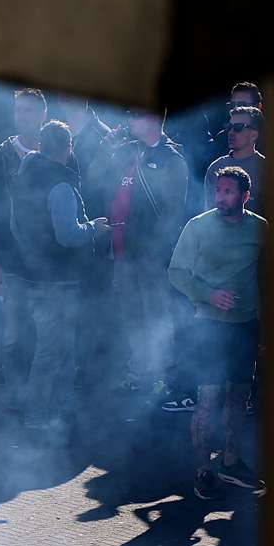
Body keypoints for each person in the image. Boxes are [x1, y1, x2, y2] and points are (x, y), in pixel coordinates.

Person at [168, 166, 267, 499]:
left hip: (245, 325)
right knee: (208, 398)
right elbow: (176, 273)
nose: (221, 196)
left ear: (244, 196)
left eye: (228, 191)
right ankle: (203, 468)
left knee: (239, 396)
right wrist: (208, 294)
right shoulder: (198, 226)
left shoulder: (259, 228)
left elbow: (269, 276)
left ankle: (231, 461)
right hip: (208, 325)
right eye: (218, 191)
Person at [8, 120, 110, 434]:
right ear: (69, 148)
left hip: (31, 275)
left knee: (44, 346)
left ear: (40, 146)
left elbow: (14, 225)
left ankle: (56, 413)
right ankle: (39, 417)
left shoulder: (24, 176)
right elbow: (67, 235)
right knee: (54, 350)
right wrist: (95, 227)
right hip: (58, 279)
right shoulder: (62, 185)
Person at [88, 108, 188, 397]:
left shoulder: (171, 159)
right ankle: (138, 370)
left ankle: (160, 374)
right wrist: (104, 148)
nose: (129, 120)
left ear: (155, 119)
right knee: (130, 313)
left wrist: (154, 251)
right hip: (121, 250)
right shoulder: (125, 150)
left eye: (136, 115)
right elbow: (95, 180)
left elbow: (172, 214)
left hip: (149, 256)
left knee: (156, 315)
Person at [0, 88, 49, 389]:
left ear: (43, 115)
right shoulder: (1, 157)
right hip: (13, 262)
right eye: (18, 110)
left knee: (48, 336)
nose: (22, 117)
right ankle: (16, 400)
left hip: (51, 264)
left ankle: (40, 400)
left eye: (29, 111)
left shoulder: (57, 150)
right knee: (15, 333)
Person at [204, 106, 265, 214]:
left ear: (254, 135)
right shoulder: (216, 168)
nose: (231, 132)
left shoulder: (267, 169)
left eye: (238, 127)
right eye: (230, 127)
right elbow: (209, 213)